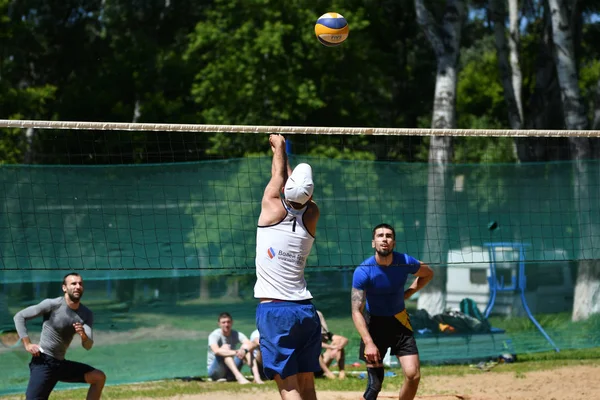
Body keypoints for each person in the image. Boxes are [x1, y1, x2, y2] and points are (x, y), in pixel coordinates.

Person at [254, 134, 322, 400]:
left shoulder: (270, 207)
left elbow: (279, 179)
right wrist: (283, 157)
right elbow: (289, 186)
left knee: (288, 385)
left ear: (284, 189)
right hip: (305, 311)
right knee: (306, 383)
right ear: (311, 194)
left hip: (276, 311)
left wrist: (279, 148)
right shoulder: (312, 214)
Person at [351, 224, 434, 400]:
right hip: (374, 325)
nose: (384, 239)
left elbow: (427, 273)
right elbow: (356, 311)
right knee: (375, 385)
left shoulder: (404, 261)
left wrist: (409, 293)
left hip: (399, 322)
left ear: (393, 243)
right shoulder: (363, 271)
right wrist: (369, 342)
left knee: (413, 375)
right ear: (374, 242)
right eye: (380, 236)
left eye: (388, 236)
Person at [13, 272, 106, 400]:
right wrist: (27, 343)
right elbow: (19, 316)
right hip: (44, 362)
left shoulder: (86, 314)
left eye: (80, 284)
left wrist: (83, 335)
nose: (77, 286)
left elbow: (88, 345)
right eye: (73, 283)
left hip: (60, 364)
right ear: (64, 288)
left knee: (98, 377)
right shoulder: (53, 304)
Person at [207, 312, 263, 384]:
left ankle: (257, 377)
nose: (226, 324)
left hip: (230, 370)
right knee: (225, 348)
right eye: (223, 322)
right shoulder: (214, 335)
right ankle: (239, 377)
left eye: (228, 322)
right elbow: (216, 351)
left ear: (232, 322)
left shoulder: (236, 334)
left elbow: (250, 344)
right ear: (219, 324)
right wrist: (237, 352)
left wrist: (244, 350)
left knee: (246, 347)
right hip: (215, 372)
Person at [315, 310, 348, 380]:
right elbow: (315, 343)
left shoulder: (326, 334)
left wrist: (337, 348)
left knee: (338, 342)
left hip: (321, 364)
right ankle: (328, 373)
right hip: (310, 368)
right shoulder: (307, 335)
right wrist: (331, 347)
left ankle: (342, 372)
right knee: (314, 350)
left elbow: (344, 339)